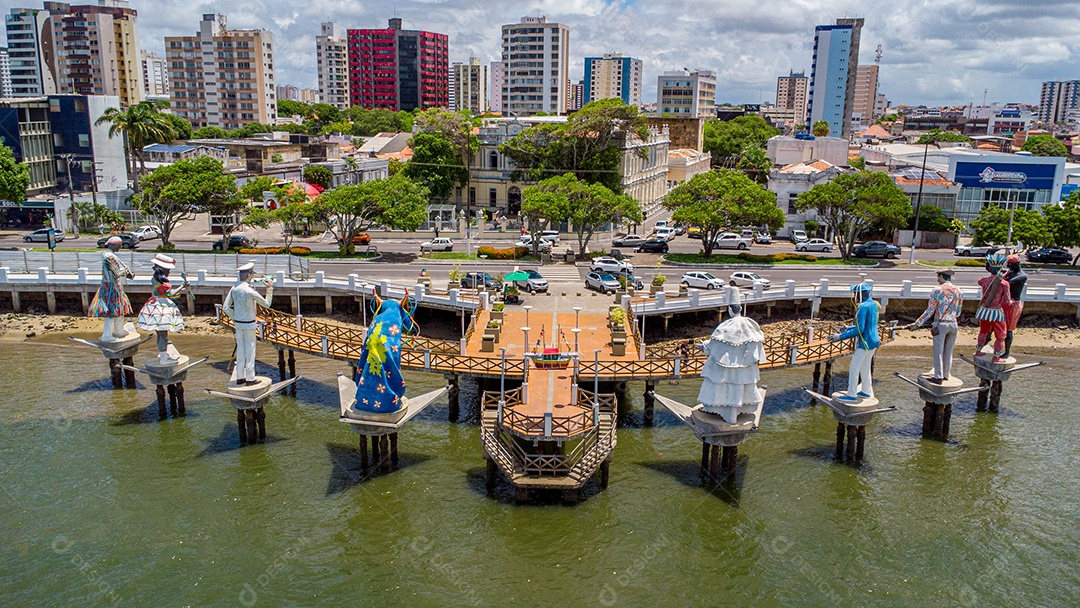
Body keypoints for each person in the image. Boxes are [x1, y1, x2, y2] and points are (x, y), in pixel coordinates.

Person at [696, 288, 767, 424]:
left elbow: (716, 345)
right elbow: (756, 347)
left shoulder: (726, 326)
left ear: (730, 310)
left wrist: (704, 346)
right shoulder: (750, 325)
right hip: (744, 367)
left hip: (725, 368)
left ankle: (721, 410)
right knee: (740, 385)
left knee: (721, 384)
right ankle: (736, 411)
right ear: (740, 308)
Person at [907, 268, 963, 383]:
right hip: (953, 323)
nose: (937, 280)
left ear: (942, 277)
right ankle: (946, 374)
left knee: (938, 351)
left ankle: (938, 376)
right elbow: (958, 312)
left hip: (940, 323)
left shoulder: (937, 290)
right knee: (949, 351)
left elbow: (930, 310)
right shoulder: (959, 291)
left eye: (938, 277)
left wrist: (917, 324)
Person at [222, 262, 274, 385]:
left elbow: (225, 308)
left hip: (239, 324)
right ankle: (250, 378)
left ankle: (240, 377)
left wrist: (235, 317)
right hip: (249, 324)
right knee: (250, 350)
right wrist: (270, 288)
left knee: (241, 349)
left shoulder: (234, 289)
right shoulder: (250, 291)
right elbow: (267, 304)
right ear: (250, 274)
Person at [829, 281, 880, 402]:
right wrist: (848, 328)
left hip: (865, 343)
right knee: (865, 367)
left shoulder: (862, 307)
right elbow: (867, 325)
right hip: (874, 341)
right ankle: (866, 391)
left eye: (855, 294)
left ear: (859, 295)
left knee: (854, 367)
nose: (854, 297)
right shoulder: (873, 304)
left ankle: (851, 395)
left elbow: (860, 329)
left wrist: (840, 336)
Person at [136, 254, 189, 365]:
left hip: (153, 304)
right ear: (164, 270)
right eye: (168, 270)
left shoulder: (154, 279)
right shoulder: (165, 284)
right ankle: (164, 359)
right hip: (162, 308)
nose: (169, 272)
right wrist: (182, 286)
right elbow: (171, 294)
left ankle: (162, 353)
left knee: (160, 333)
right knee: (163, 334)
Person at [88, 236, 136, 342]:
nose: (120, 247)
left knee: (118, 310)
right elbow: (116, 274)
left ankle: (119, 330)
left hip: (110, 286)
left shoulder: (106, 255)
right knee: (111, 312)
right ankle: (107, 334)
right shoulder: (110, 257)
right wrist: (126, 272)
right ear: (115, 245)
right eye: (119, 245)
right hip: (111, 288)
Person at [975, 252, 1012, 363]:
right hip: (996, 312)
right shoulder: (1004, 284)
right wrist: (1012, 302)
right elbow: (1007, 301)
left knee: (983, 331)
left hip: (984, 310)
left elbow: (981, 283)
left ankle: (978, 350)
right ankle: (996, 357)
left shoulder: (983, 281)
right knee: (1001, 335)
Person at [1003, 254, 1027, 358]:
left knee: (1009, 330)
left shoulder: (1021, 276)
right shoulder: (1010, 272)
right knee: (998, 326)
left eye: (1010, 264)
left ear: (1016, 264)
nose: (1008, 266)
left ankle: (1007, 352)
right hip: (1005, 302)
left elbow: (1007, 284)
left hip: (1014, 305)